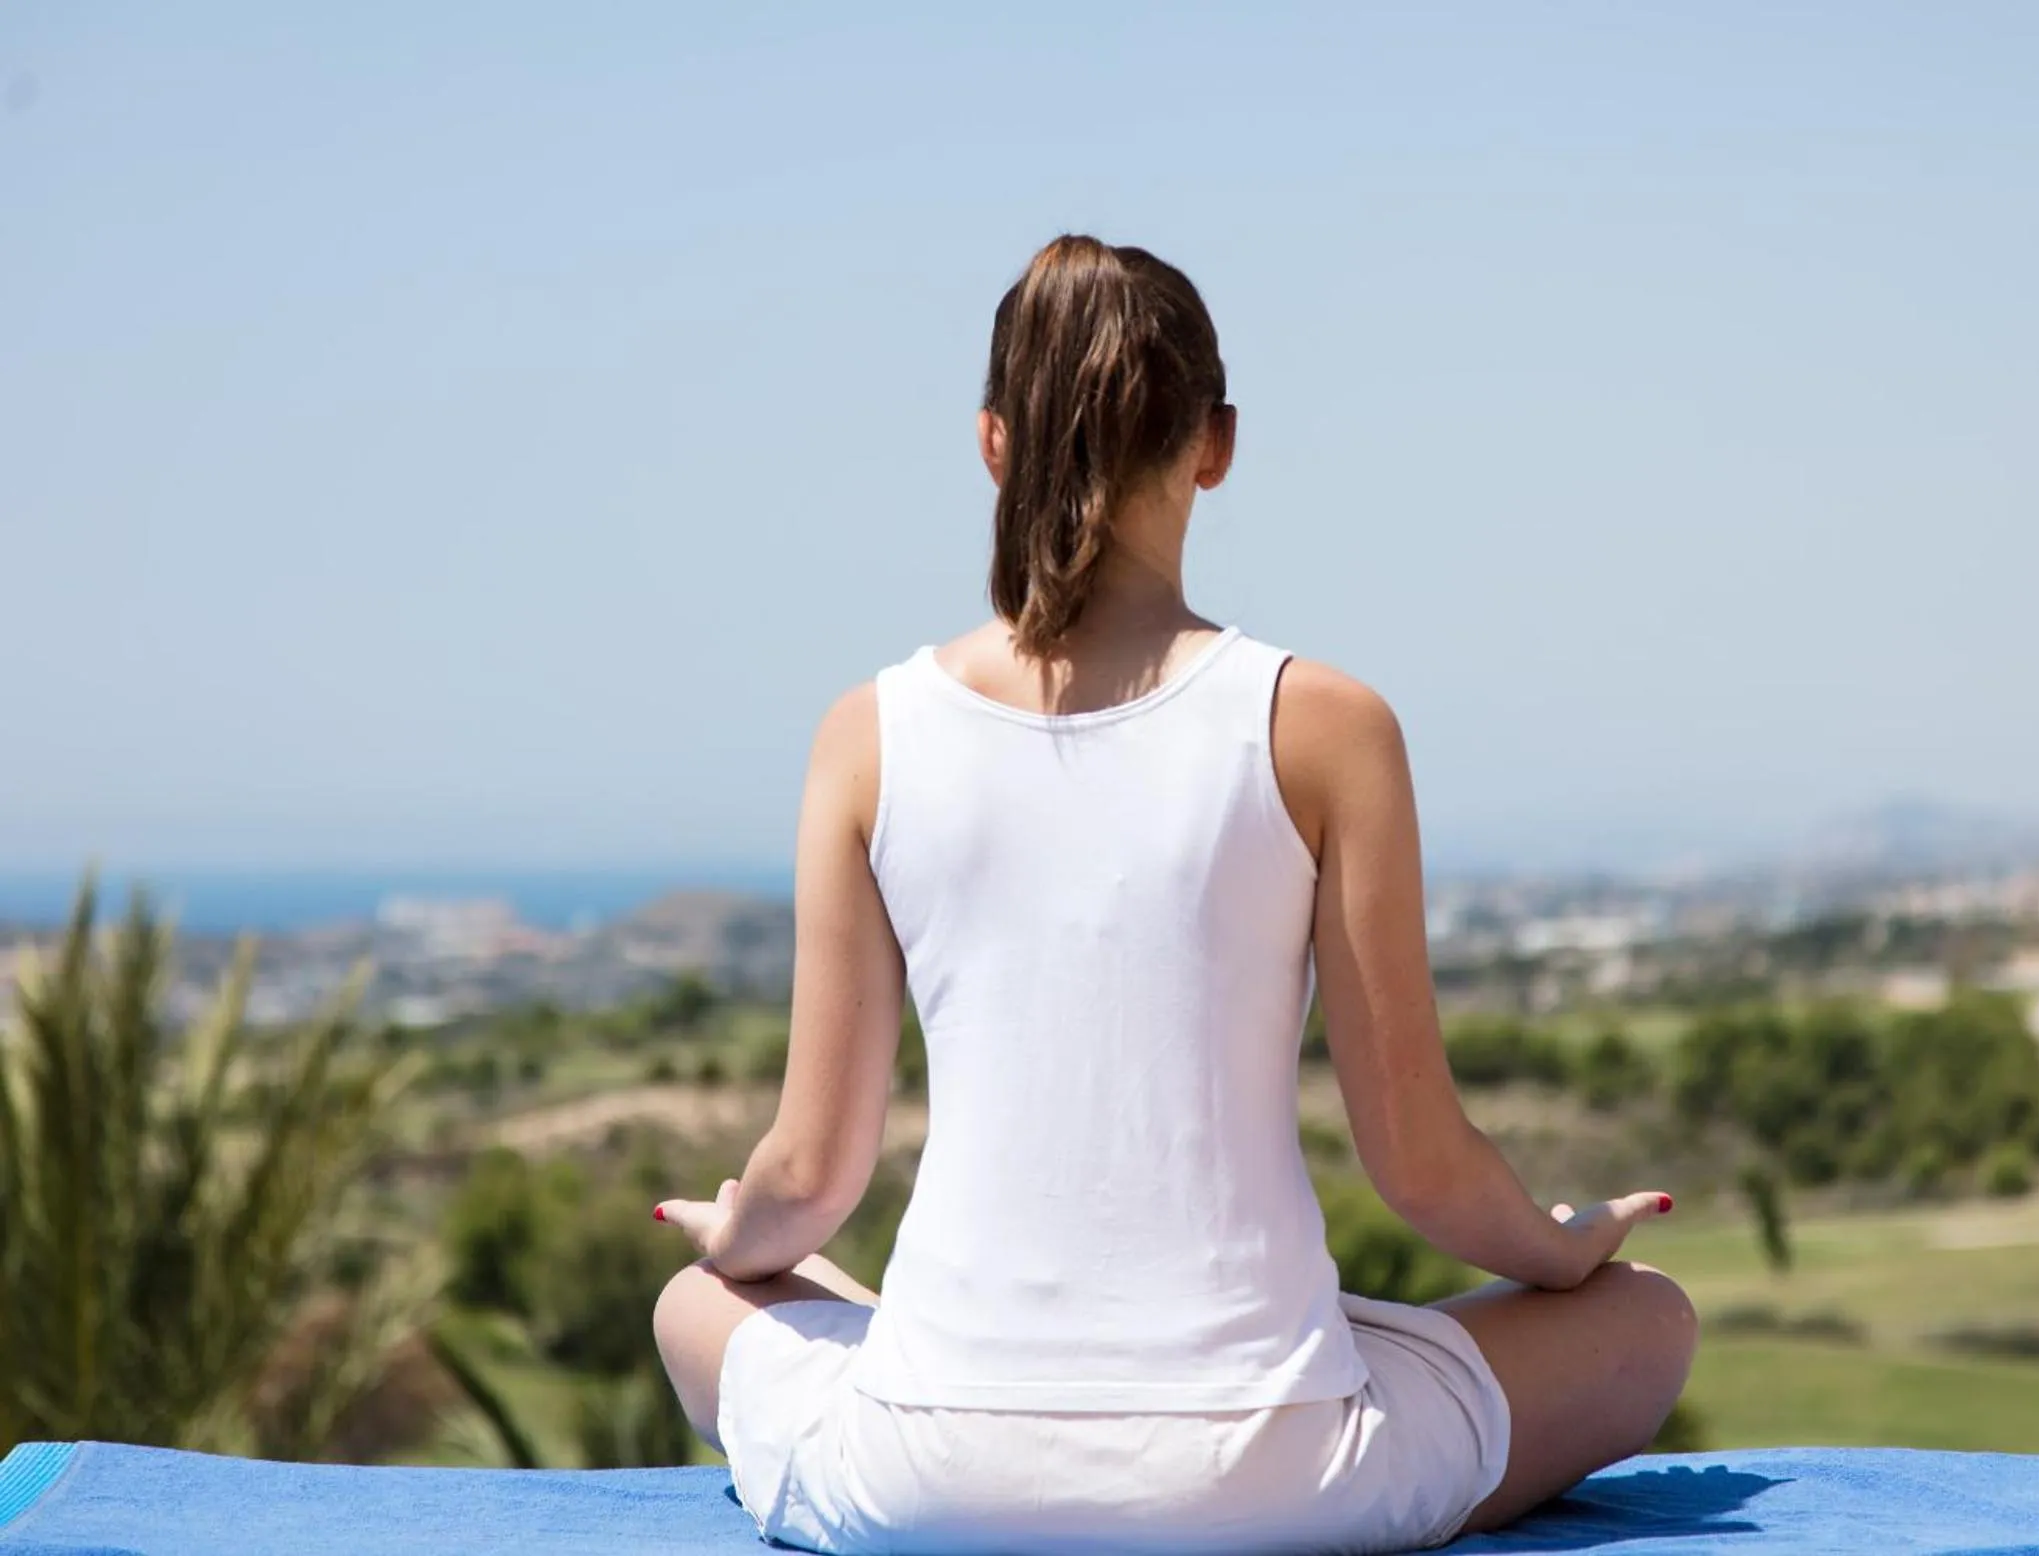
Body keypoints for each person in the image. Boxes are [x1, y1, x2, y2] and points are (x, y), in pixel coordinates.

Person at [651, 234, 1697, 1555]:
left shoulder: (867, 734)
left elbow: (807, 1178)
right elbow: (1423, 1172)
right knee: (1647, 1319)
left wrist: (733, 1227)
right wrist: (1562, 1251)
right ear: (1214, 443)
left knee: (698, 1304)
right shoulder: (1324, 724)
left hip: (933, 1483)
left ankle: (904, 1352)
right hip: (1276, 1483)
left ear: (992, 442)